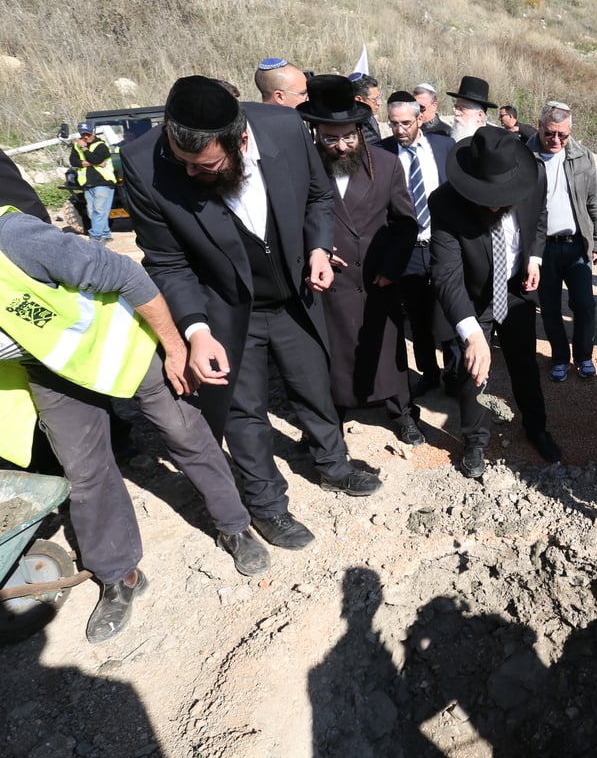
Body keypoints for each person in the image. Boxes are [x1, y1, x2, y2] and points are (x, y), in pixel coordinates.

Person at [122, 76, 382, 554]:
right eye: (184, 165)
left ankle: (332, 463)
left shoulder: (284, 127)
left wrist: (319, 249)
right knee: (244, 411)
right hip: (222, 306)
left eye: (207, 166)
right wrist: (196, 331)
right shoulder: (143, 164)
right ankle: (266, 505)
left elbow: (319, 198)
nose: (193, 176)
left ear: (242, 140)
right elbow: (166, 259)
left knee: (313, 383)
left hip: (292, 294)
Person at [0, 206, 270, 644]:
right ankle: (118, 574)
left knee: (184, 434)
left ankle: (234, 526)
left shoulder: (13, 239)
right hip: (52, 366)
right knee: (84, 472)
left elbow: (126, 273)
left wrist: (174, 348)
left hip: (124, 342)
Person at [298, 76, 425, 445]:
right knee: (333, 358)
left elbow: (405, 223)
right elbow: (290, 224)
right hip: (328, 286)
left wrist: (391, 266)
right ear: (316, 134)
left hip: (376, 280)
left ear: (359, 130)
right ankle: (331, 422)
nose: (341, 146)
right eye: (331, 139)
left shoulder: (385, 165)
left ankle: (402, 413)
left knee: (388, 353)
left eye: (348, 138)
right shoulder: (302, 170)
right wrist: (313, 250)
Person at [429, 127, 560, 477]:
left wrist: (535, 257)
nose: (494, 203)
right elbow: (446, 275)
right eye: (486, 194)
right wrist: (472, 335)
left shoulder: (537, 177)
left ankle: (536, 428)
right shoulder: (444, 203)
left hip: (515, 289)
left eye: (503, 195)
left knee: (524, 363)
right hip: (473, 298)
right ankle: (475, 440)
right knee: (475, 370)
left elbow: (539, 220)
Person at [382, 90, 459, 398]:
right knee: (418, 317)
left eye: (405, 123)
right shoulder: (381, 153)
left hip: (442, 245)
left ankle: (455, 373)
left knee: (449, 311)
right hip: (408, 251)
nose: (399, 130)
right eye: (393, 123)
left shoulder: (444, 147)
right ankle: (429, 372)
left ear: (420, 118)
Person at [527, 100, 597, 382]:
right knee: (549, 308)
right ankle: (560, 357)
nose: (556, 140)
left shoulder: (582, 156)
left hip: (576, 245)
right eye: (550, 133)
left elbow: (595, 199)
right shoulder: (526, 155)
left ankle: (584, 356)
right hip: (542, 249)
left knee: (585, 304)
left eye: (563, 134)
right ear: (539, 127)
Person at [68, 122, 117, 242]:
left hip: (103, 183)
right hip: (87, 183)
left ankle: (95, 237)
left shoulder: (101, 146)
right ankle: (105, 234)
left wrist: (84, 149)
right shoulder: (76, 146)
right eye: (83, 134)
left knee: (99, 211)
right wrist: (92, 163)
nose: (85, 137)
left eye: (88, 134)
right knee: (92, 212)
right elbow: (73, 161)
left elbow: (96, 158)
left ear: (93, 132)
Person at [447, 76, 496, 142]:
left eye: (462, 109)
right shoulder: (447, 138)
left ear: (479, 115)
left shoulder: (490, 145)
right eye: (456, 107)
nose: (456, 112)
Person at [348, 72, 383, 145]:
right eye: (374, 99)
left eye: (378, 98)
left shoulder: (371, 118)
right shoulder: (349, 128)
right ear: (358, 99)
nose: (379, 103)